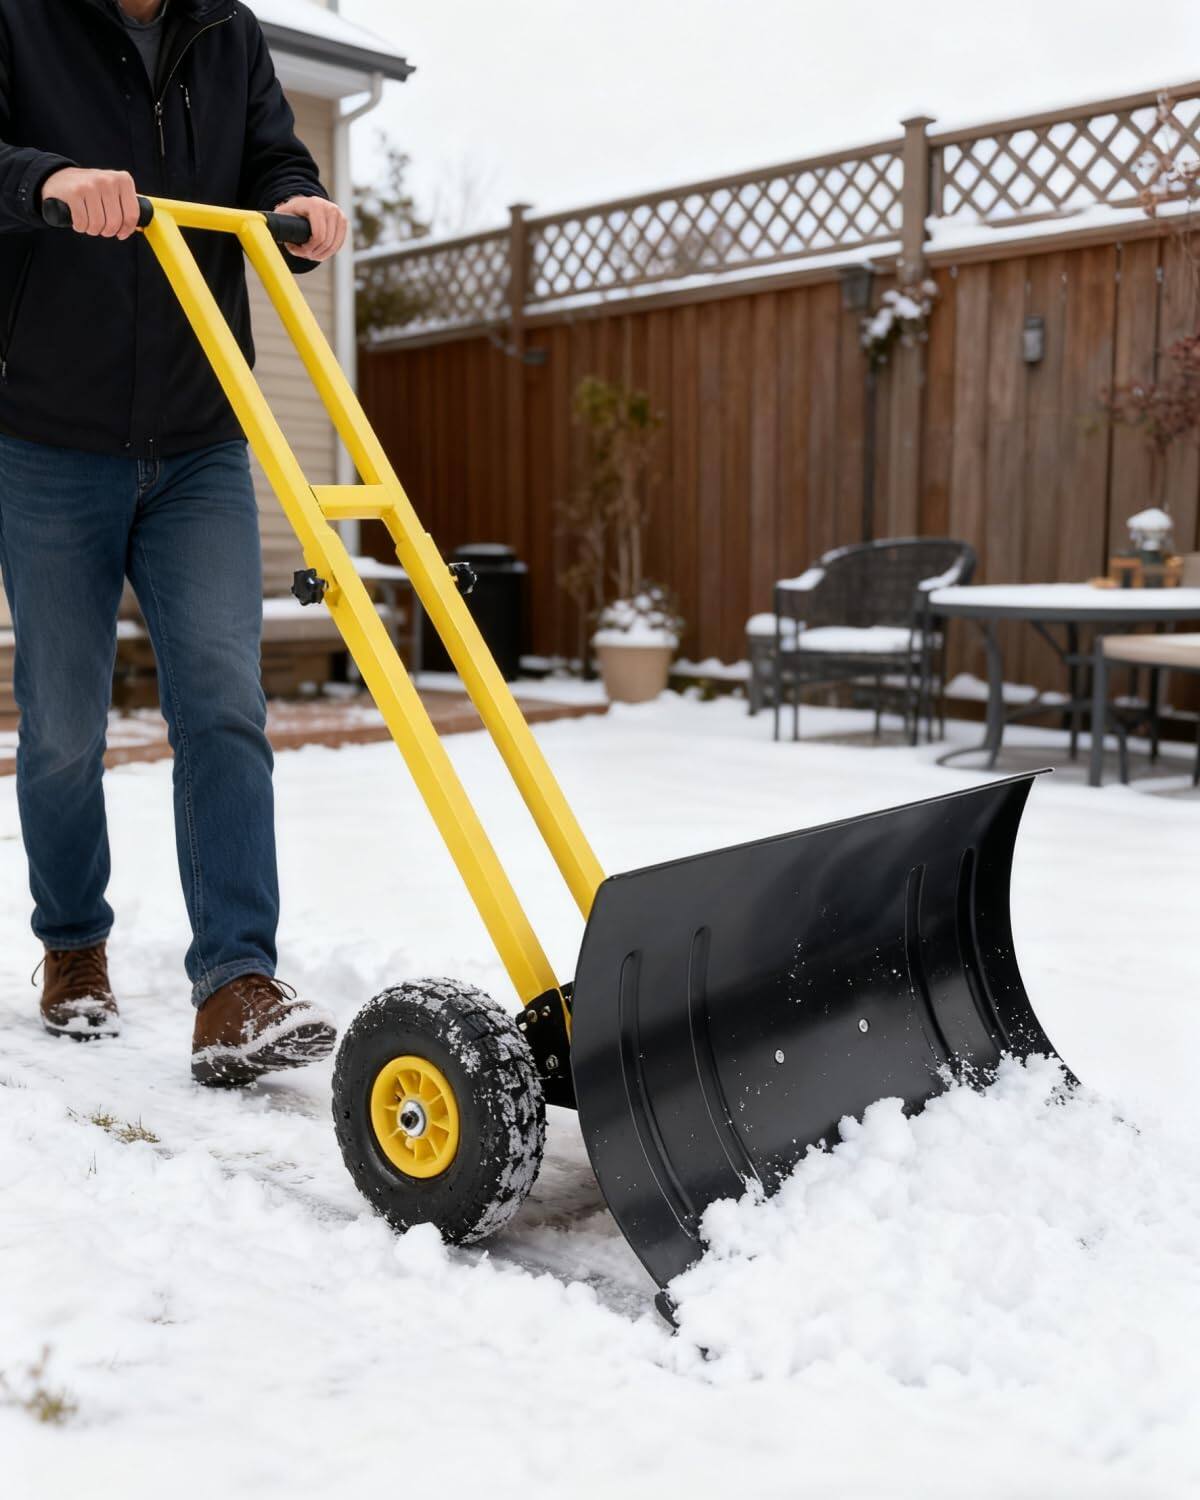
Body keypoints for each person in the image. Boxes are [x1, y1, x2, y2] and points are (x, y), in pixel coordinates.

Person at [0, 0, 349, 1085]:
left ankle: (237, 981)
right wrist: (49, 180)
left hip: (201, 433)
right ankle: (73, 947)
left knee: (223, 705)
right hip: (50, 434)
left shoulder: (225, 31)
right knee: (62, 724)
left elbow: (271, 152)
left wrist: (298, 199)